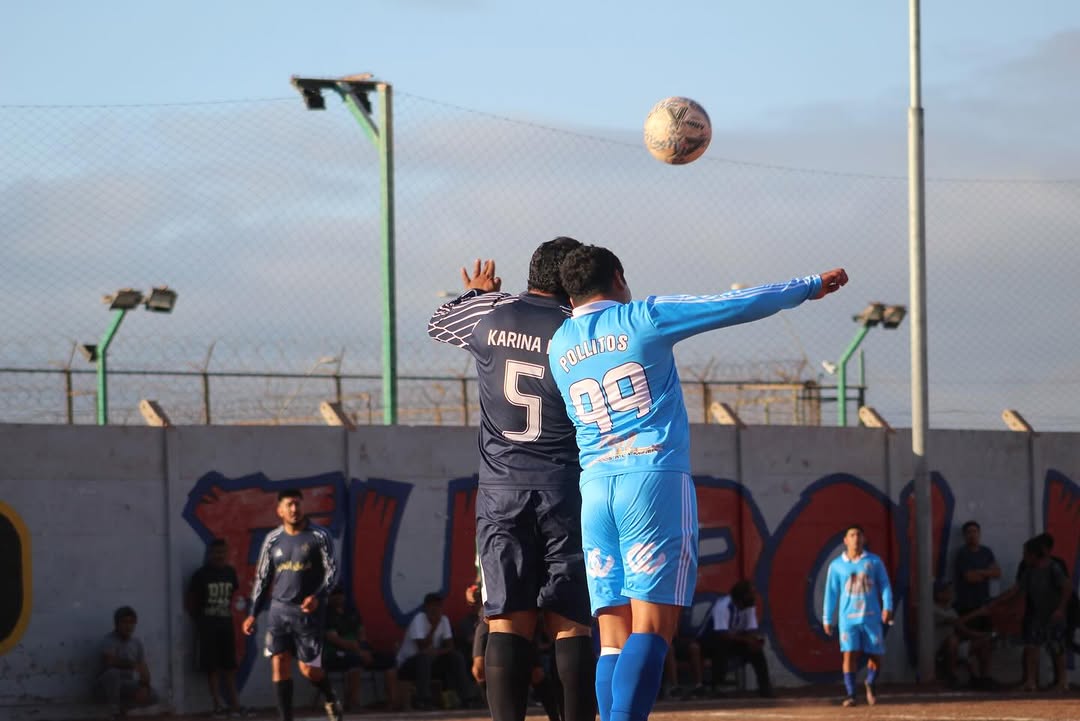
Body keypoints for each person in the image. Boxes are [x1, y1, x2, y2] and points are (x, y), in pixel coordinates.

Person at [547, 243, 848, 721]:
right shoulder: (643, 317)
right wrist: (808, 287)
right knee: (653, 626)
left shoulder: (559, 344)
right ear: (619, 277)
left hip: (595, 489)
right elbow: (732, 304)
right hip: (651, 480)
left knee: (612, 636)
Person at [427, 238, 597, 721]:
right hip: (565, 486)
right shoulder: (577, 326)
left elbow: (438, 323)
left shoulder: (488, 314)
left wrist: (476, 295)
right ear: (570, 282)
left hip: (501, 491)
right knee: (570, 625)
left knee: (506, 621)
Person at [242, 488, 342, 721]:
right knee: (279, 662)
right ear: (279, 510)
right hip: (279, 611)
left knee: (309, 670)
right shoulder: (272, 539)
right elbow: (263, 579)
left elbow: (332, 573)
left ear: (303, 506)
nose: (294, 509)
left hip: (308, 613)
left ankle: (329, 696)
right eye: (289, 505)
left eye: (297, 504)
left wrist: (318, 596)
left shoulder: (319, 535)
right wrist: (252, 614)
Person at [967, 536, 1070, 692]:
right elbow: (1016, 591)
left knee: (1057, 648)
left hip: (1053, 614)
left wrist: (1061, 609)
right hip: (1037, 615)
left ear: (1035, 555)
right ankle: (1030, 681)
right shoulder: (1029, 571)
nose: (1023, 557)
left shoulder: (1053, 568)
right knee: (1031, 647)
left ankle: (1062, 682)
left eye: (1026, 554)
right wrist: (997, 602)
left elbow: (1066, 588)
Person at [822, 525, 894, 707]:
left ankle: (870, 681)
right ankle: (851, 694)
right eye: (852, 535)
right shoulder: (837, 566)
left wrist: (888, 606)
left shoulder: (874, 561)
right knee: (849, 654)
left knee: (876, 655)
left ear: (864, 539)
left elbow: (884, 585)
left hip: (871, 616)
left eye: (859, 535)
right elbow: (831, 593)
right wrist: (827, 618)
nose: (856, 538)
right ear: (845, 540)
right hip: (848, 618)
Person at [186, 538, 245, 717]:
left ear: (227, 554)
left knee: (229, 665)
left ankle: (235, 704)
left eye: (222, 552)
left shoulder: (230, 573)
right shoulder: (200, 575)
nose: (219, 556)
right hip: (208, 625)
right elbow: (190, 601)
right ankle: (217, 705)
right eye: (216, 552)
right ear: (210, 554)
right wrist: (200, 619)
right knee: (212, 667)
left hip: (226, 624)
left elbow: (235, 595)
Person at [396, 592, 478, 710]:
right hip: (408, 664)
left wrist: (438, 652)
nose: (436, 609)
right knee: (424, 658)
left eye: (439, 606)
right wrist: (433, 626)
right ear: (426, 607)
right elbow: (422, 647)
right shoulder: (419, 620)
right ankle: (424, 700)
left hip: (432, 660)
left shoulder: (443, 619)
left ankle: (467, 698)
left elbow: (450, 646)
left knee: (456, 656)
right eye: (432, 606)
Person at [323, 586, 400, 710]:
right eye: (335, 594)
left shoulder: (351, 611)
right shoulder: (327, 614)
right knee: (355, 660)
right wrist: (359, 651)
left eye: (341, 594)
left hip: (360, 651)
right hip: (334, 655)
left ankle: (392, 702)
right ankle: (353, 703)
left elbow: (362, 634)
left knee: (389, 660)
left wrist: (364, 649)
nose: (339, 597)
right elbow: (335, 639)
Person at [698, 581, 773, 698]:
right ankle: (716, 686)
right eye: (751, 594)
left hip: (733, 640)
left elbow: (751, 629)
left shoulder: (749, 606)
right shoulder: (723, 606)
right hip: (709, 641)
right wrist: (746, 640)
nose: (754, 597)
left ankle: (765, 687)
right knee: (721, 646)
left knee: (756, 650)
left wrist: (755, 639)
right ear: (742, 596)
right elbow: (721, 633)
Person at [952, 519, 1000, 688]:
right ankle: (971, 676)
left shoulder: (986, 552)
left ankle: (985, 676)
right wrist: (985, 573)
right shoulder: (962, 554)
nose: (972, 535)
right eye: (969, 532)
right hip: (967, 605)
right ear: (965, 536)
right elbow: (969, 577)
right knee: (970, 640)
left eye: (975, 532)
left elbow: (996, 572)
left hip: (984, 604)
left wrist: (980, 572)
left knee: (986, 641)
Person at [95, 606, 159, 718]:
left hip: (125, 685)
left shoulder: (137, 643)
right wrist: (132, 664)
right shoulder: (109, 640)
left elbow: (143, 668)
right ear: (116, 624)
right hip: (104, 687)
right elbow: (110, 661)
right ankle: (114, 712)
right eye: (124, 622)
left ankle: (124, 708)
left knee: (153, 695)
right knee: (113, 673)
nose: (128, 626)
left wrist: (145, 686)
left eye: (132, 622)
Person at [931, 579, 992, 686]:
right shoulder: (933, 609)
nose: (949, 593)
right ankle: (952, 677)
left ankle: (984, 678)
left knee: (984, 642)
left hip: (954, 648)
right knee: (953, 640)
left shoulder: (951, 610)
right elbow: (955, 622)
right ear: (937, 595)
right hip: (937, 651)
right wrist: (978, 612)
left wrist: (984, 636)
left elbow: (963, 630)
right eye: (945, 591)